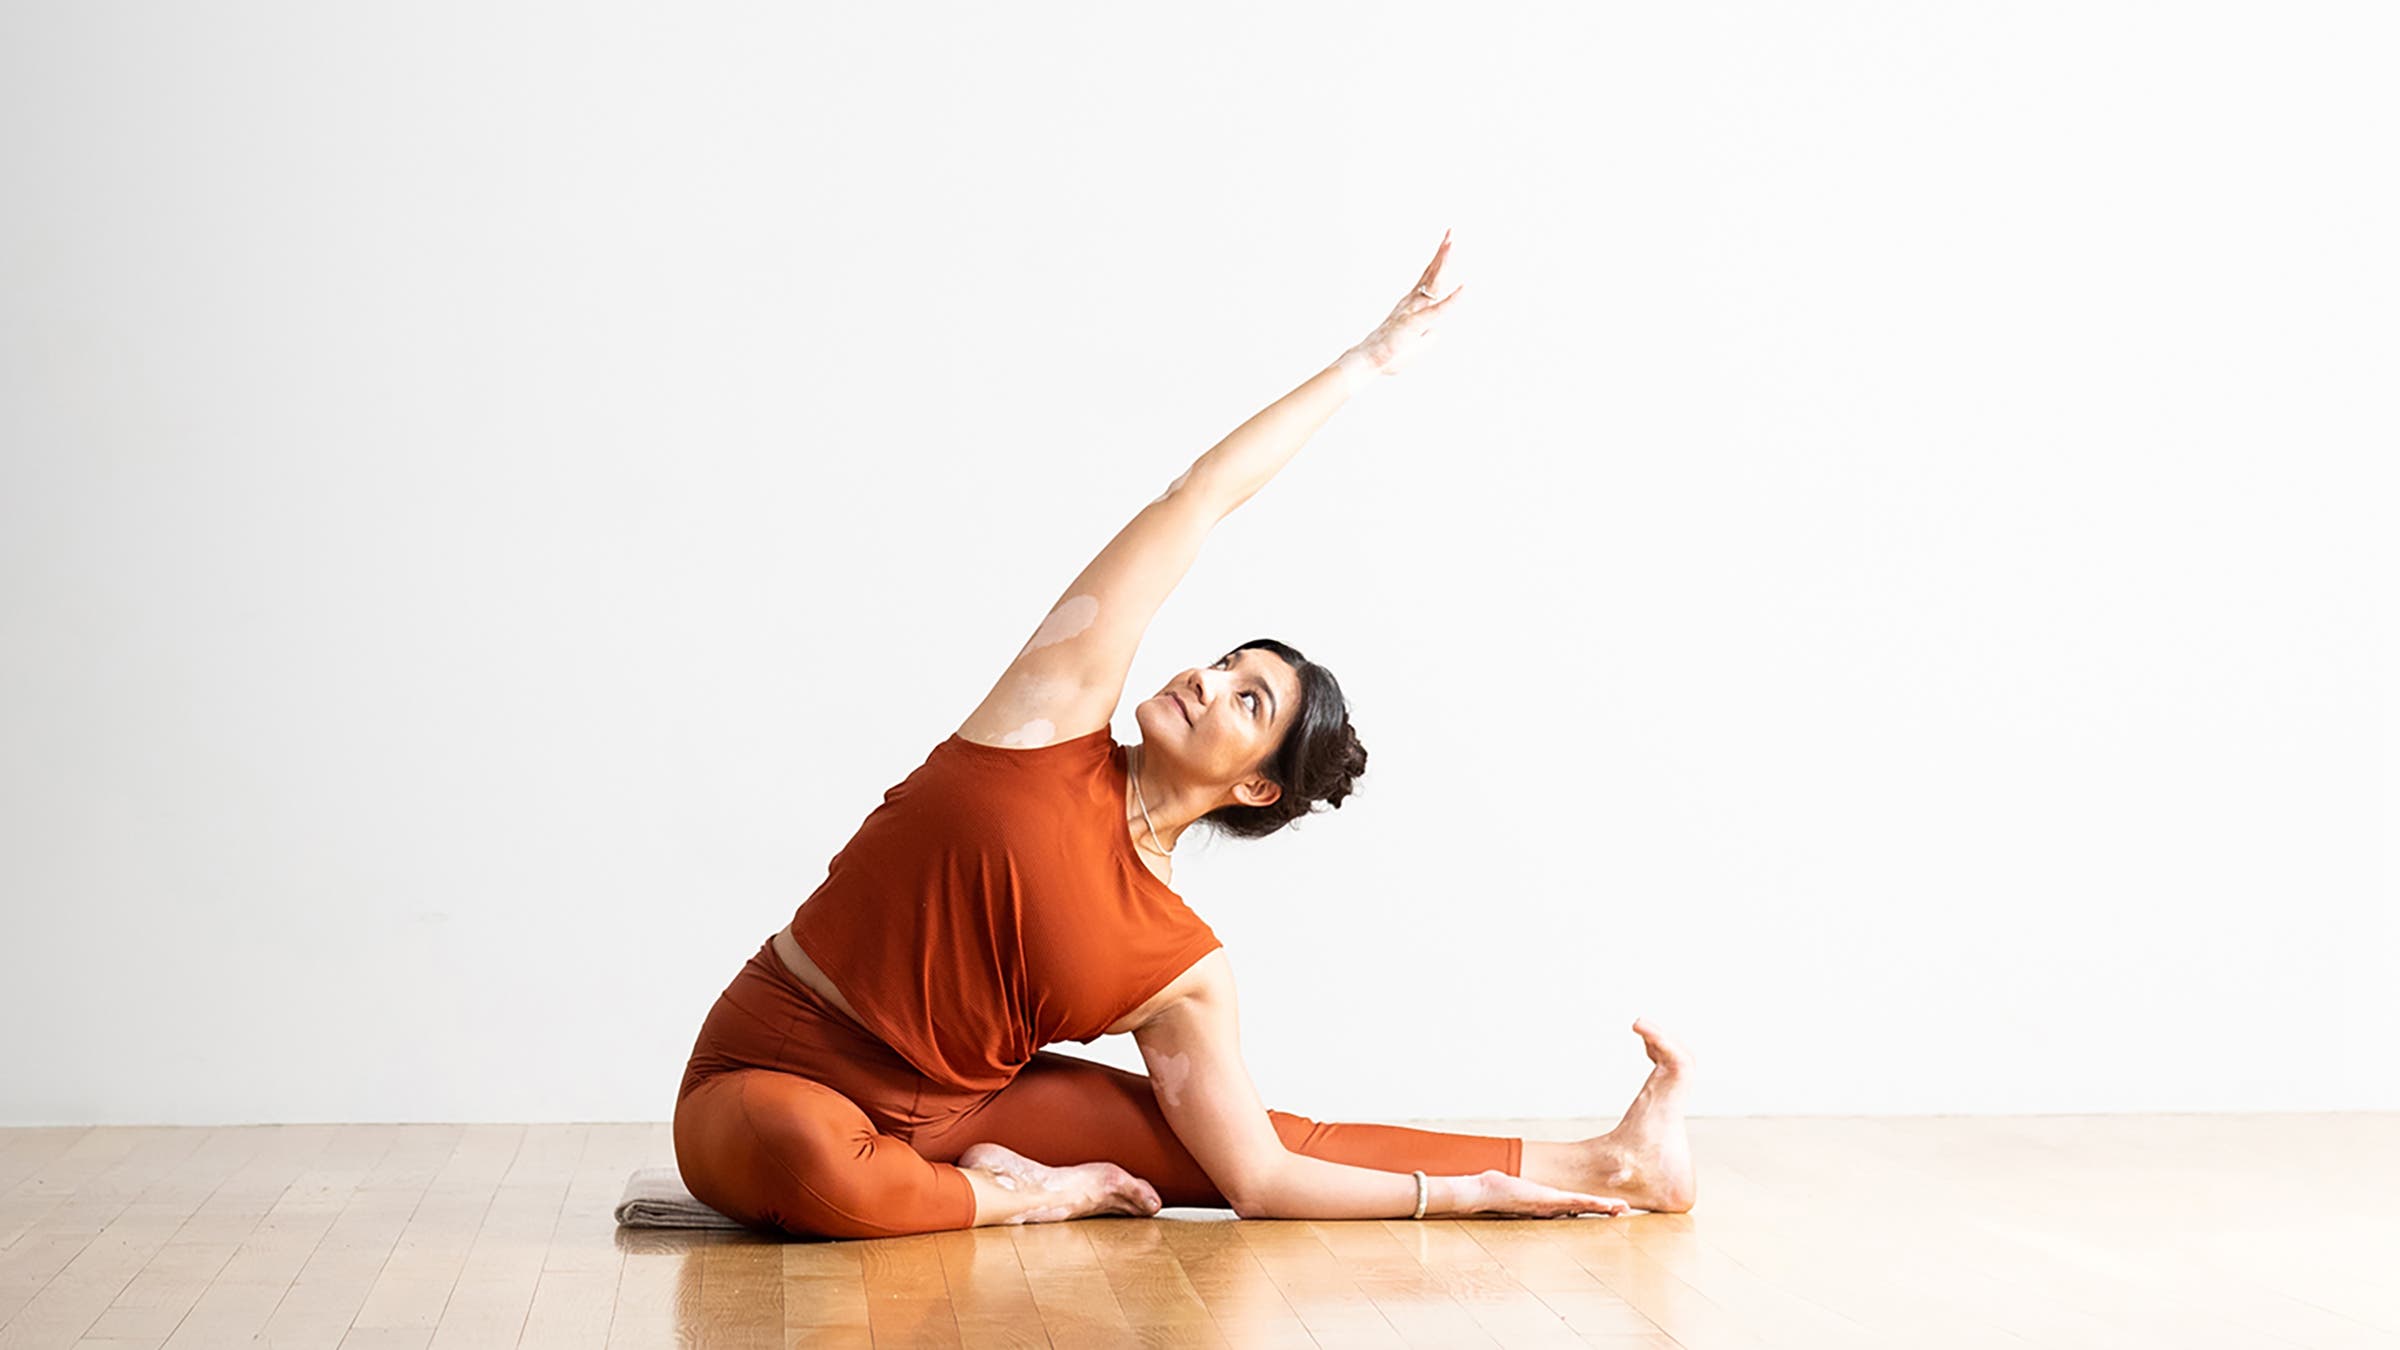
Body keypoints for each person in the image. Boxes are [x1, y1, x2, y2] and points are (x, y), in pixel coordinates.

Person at [672, 231, 1698, 1238]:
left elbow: (1262, 1174)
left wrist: (1463, 1197)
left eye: (1247, 701)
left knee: (1248, 1133)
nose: (1204, 681)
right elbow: (1197, 498)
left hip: (964, 1108)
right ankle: (1029, 1196)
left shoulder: (1180, 967)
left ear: (1255, 787)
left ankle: (1617, 1162)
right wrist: (1364, 364)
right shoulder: (1050, 717)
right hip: (775, 1074)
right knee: (811, 1157)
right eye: (1221, 664)